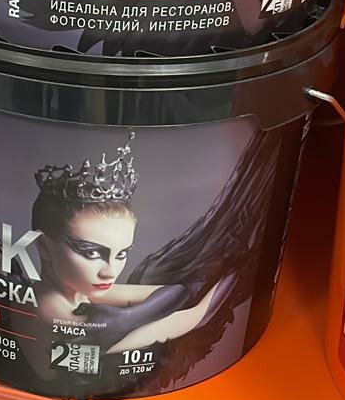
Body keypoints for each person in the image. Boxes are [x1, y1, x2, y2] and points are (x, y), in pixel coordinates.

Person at [31, 135, 230, 358]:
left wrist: (126, 318)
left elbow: (179, 291)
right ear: (44, 247)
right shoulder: (51, 310)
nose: (110, 272)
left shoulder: (79, 291)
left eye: (121, 254)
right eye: (92, 252)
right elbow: (198, 315)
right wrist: (234, 270)